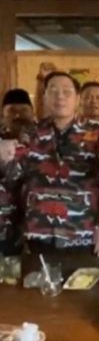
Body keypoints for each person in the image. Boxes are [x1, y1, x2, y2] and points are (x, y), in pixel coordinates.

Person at [0, 72, 99, 256]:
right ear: (44, 97)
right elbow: (14, 178)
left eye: (66, 92)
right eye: (53, 91)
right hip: (39, 232)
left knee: (83, 275)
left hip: (82, 231)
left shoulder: (97, 132)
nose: (60, 97)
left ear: (77, 98)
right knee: (38, 275)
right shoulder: (30, 132)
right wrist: (5, 159)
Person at [0, 89, 36, 255]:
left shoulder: (45, 138)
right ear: (3, 114)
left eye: (23, 110)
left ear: (32, 112)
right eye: (12, 110)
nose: (17, 115)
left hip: (37, 227)